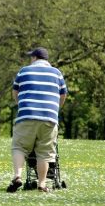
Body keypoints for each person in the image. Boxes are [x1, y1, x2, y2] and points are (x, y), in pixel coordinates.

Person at [7, 47, 67, 193]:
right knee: (45, 153)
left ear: (34, 58)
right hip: (49, 118)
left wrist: (20, 105)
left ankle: (17, 176)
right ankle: (41, 183)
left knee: (19, 147)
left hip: (27, 115)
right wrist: (55, 109)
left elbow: (15, 92)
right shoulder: (57, 73)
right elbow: (63, 95)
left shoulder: (24, 71)